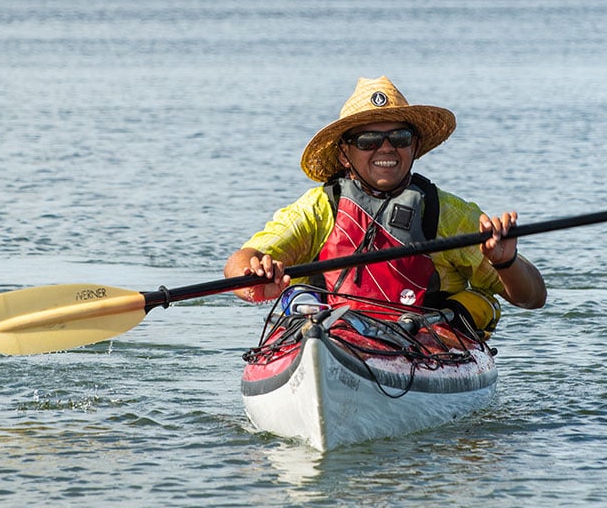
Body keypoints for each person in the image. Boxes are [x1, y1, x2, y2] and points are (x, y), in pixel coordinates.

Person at [224, 76, 546, 337]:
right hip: (330, 339)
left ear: (415, 146)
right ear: (343, 155)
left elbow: (533, 296)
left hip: (424, 345)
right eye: (368, 141)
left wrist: (506, 262)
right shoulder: (321, 207)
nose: (386, 148)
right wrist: (255, 276)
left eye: (400, 137)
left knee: (479, 304)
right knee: (297, 300)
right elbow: (239, 262)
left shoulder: (445, 213)